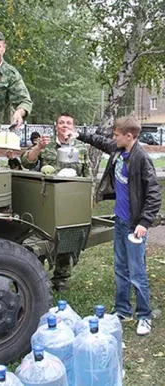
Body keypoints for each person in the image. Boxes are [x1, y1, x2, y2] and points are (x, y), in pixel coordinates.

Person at [75, 116, 161, 336]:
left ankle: (144, 316)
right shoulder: (118, 150)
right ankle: (123, 311)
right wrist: (79, 134)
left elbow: (154, 194)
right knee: (120, 268)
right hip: (120, 221)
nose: (113, 138)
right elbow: (101, 142)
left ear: (128, 136)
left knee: (137, 272)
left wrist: (143, 223)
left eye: (116, 134)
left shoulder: (141, 158)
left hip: (134, 226)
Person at [21, 113, 92, 291]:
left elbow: (88, 174)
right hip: (47, 199)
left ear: (73, 127)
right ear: (56, 126)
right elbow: (26, 162)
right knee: (40, 237)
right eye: (61, 122)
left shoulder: (81, 148)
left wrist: (88, 198)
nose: (65, 125)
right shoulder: (46, 145)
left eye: (68, 123)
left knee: (68, 238)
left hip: (72, 201)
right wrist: (38, 147)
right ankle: (35, 277)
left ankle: (61, 279)